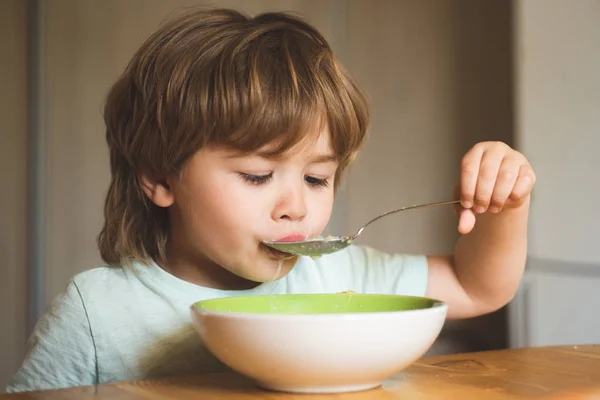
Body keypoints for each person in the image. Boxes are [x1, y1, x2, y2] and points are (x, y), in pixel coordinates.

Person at [6, 7, 536, 393]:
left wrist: (505, 207)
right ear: (160, 179)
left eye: (316, 179)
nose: (296, 208)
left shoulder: (341, 279)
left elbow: (476, 286)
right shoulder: (96, 313)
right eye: (259, 176)